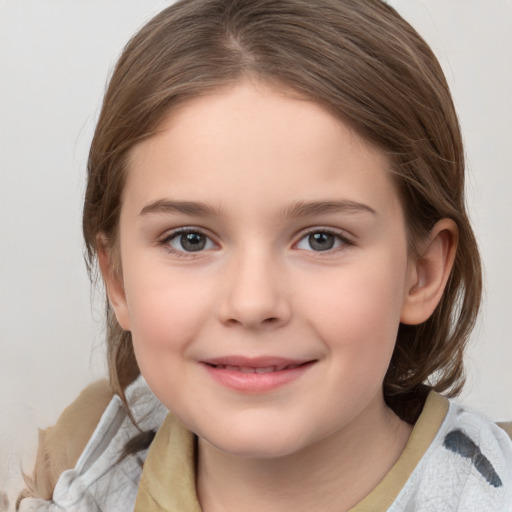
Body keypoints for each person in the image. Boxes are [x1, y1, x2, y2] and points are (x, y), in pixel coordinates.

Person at [16, 0, 512, 510]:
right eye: (190, 239)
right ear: (117, 279)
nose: (252, 303)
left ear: (422, 273)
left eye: (322, 239)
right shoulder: (83, 468)